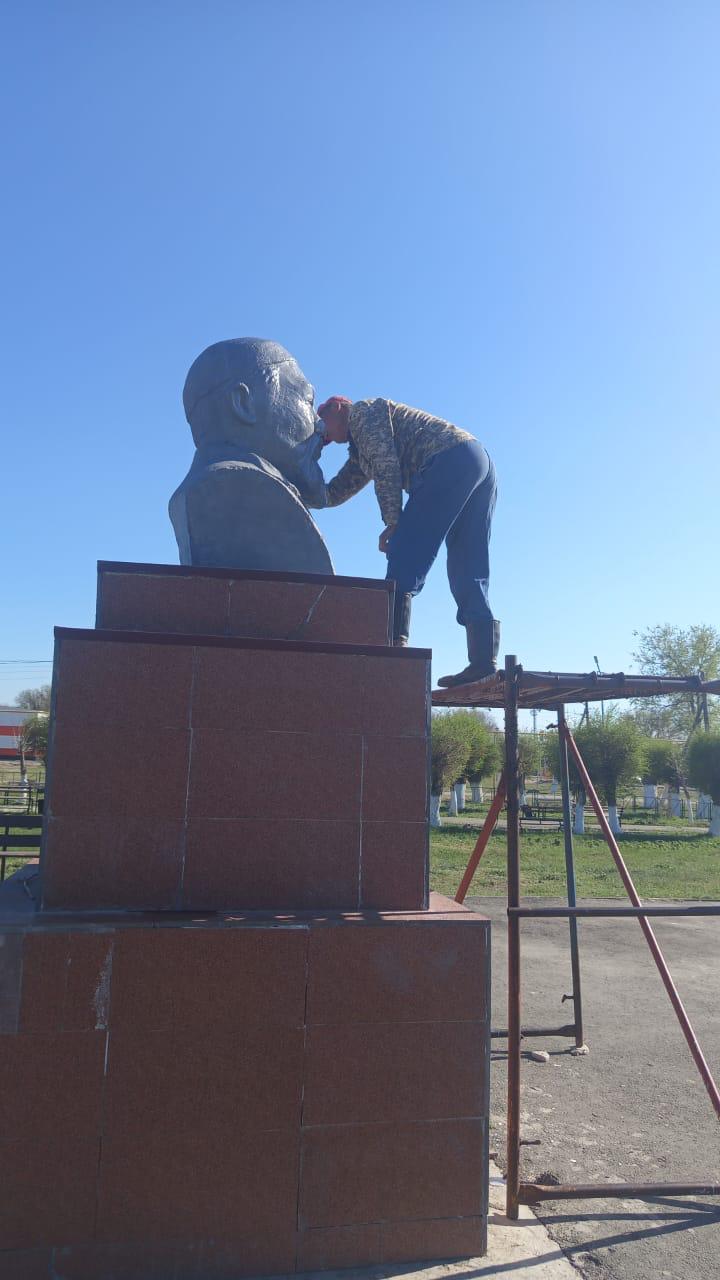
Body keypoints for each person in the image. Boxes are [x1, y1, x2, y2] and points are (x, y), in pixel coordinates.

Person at [312, 395, 500, 687]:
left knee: (404, 552)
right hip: (476, 461)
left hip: (447, 458)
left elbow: (386, 466)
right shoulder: (362, 450)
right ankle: (483, 662)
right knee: (467, 564)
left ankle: (392, 646)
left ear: (337, 407)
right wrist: (298, 486)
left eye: (321, 423)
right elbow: (334, 492)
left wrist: (393, 523)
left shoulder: (362, 414)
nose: (323, 435)